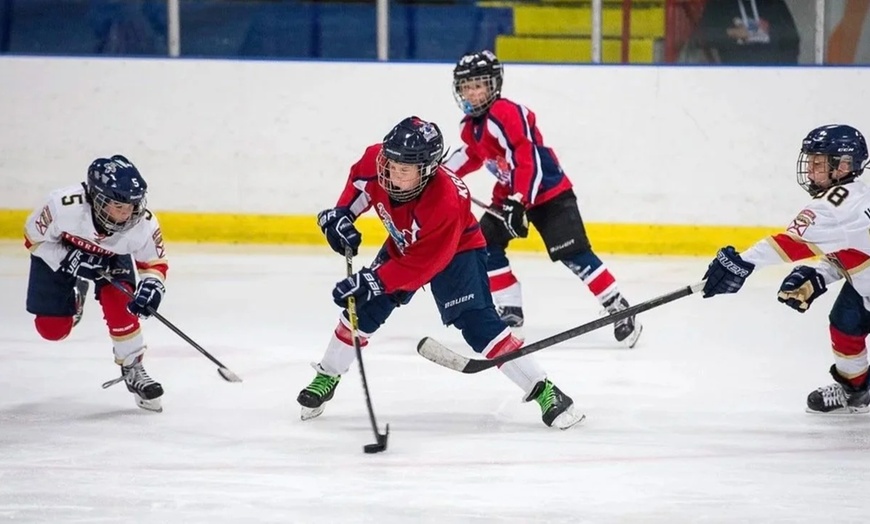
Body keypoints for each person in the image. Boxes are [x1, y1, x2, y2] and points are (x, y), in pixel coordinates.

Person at [296, 116, 584, 429]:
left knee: (480, 327)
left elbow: (425, 263)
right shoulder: (377, 159)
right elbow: (358, 186)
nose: (392, 174)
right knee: (360, 311)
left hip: (456, 250)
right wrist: (341, 217)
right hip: (405, 242)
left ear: (427, 171)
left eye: (404, 170)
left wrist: (375, 281)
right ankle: (327, 374)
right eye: (390, 164)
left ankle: (545, 390)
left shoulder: (445, 201)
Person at [444, 49, 642, 348]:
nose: (471, 93)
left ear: (493, 84)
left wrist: (519, 199)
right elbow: (471, 156)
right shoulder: (470, 127)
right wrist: (436, 172)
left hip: (548, 193)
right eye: (466, 87)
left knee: (573, 253)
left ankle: (618, 305)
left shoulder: (506, 113)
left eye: (478, 85)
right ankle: (510, 310)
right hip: (511, 196)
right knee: (484, 244)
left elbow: (527, 156)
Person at [702, 124, 870, 414]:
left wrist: (741, 263)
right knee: (845, 325)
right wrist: (819, 276)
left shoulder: (836, 205)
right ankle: (858, 392)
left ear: (843, 165)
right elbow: (853, 249)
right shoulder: (857, 195)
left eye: (818, 162)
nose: (810, 169)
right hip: (864, 285)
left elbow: (789, 243)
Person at [24, 155, 168, 412]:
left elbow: (154, 263)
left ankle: (133, 367)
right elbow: (33, 238)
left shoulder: (143, 222)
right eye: (118, 206)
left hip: (111, 260)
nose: (127, 214)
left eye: (132, 206)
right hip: (59, 251)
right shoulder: (62, 205)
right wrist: (68, 258)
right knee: (52, 329)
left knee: (123, 306)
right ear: (97, 199)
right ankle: (76, 294)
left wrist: (152, 287)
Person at [692, 0, 800, 65]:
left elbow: (793, 38)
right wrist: (732, 33)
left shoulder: (772, 2)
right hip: (735, 78)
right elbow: (702, 37)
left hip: (774, 76)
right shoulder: (720, 3)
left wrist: (769, 30)